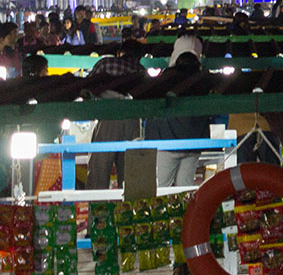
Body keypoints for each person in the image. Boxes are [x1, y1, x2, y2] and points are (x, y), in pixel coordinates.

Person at [146, 36, 214, 187]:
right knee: (185, 185)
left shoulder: (167, 75)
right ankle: (186, 211)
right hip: (194, 142)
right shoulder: (203, 78)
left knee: (163, 187)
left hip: (166, 141)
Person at [86, 39, 148, 189]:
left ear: (120, 52)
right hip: (133, 121)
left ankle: (96, 207)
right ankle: (128, 208)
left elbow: (87, 87)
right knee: (129, 173)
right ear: (139, 56)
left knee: (100, 169)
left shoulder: (105, 63)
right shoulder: (140, 70)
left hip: (108, 118)